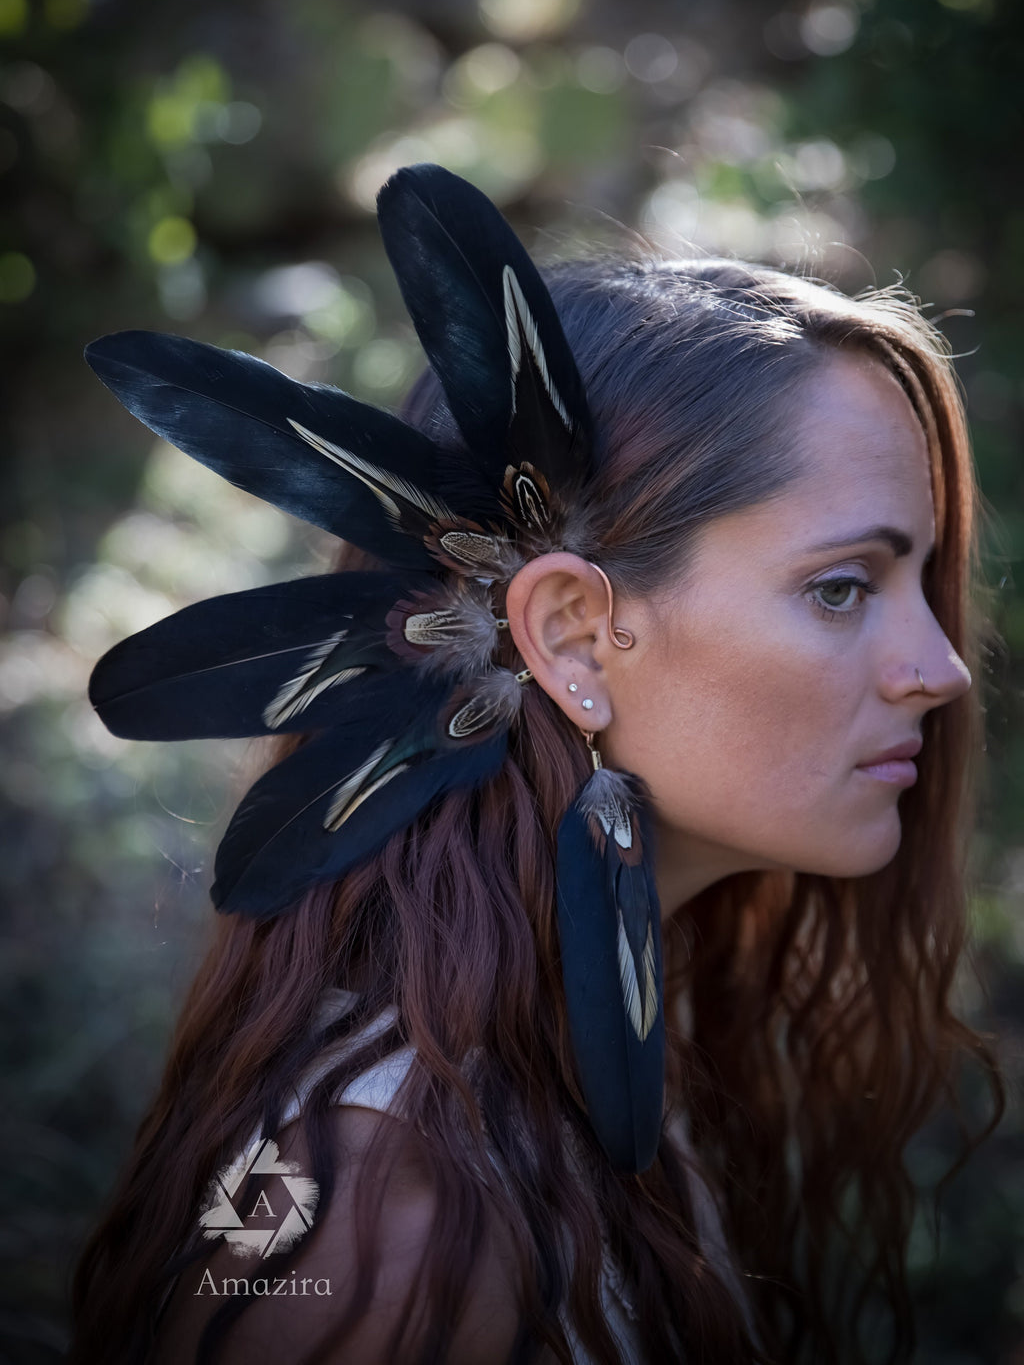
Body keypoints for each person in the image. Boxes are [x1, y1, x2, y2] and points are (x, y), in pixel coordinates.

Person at [68, 164, 1003, 1365]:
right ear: (568, 635)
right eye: (839, 588)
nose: (940, 669)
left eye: (920, 583)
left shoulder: (599, 1065)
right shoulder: (381, 1203)